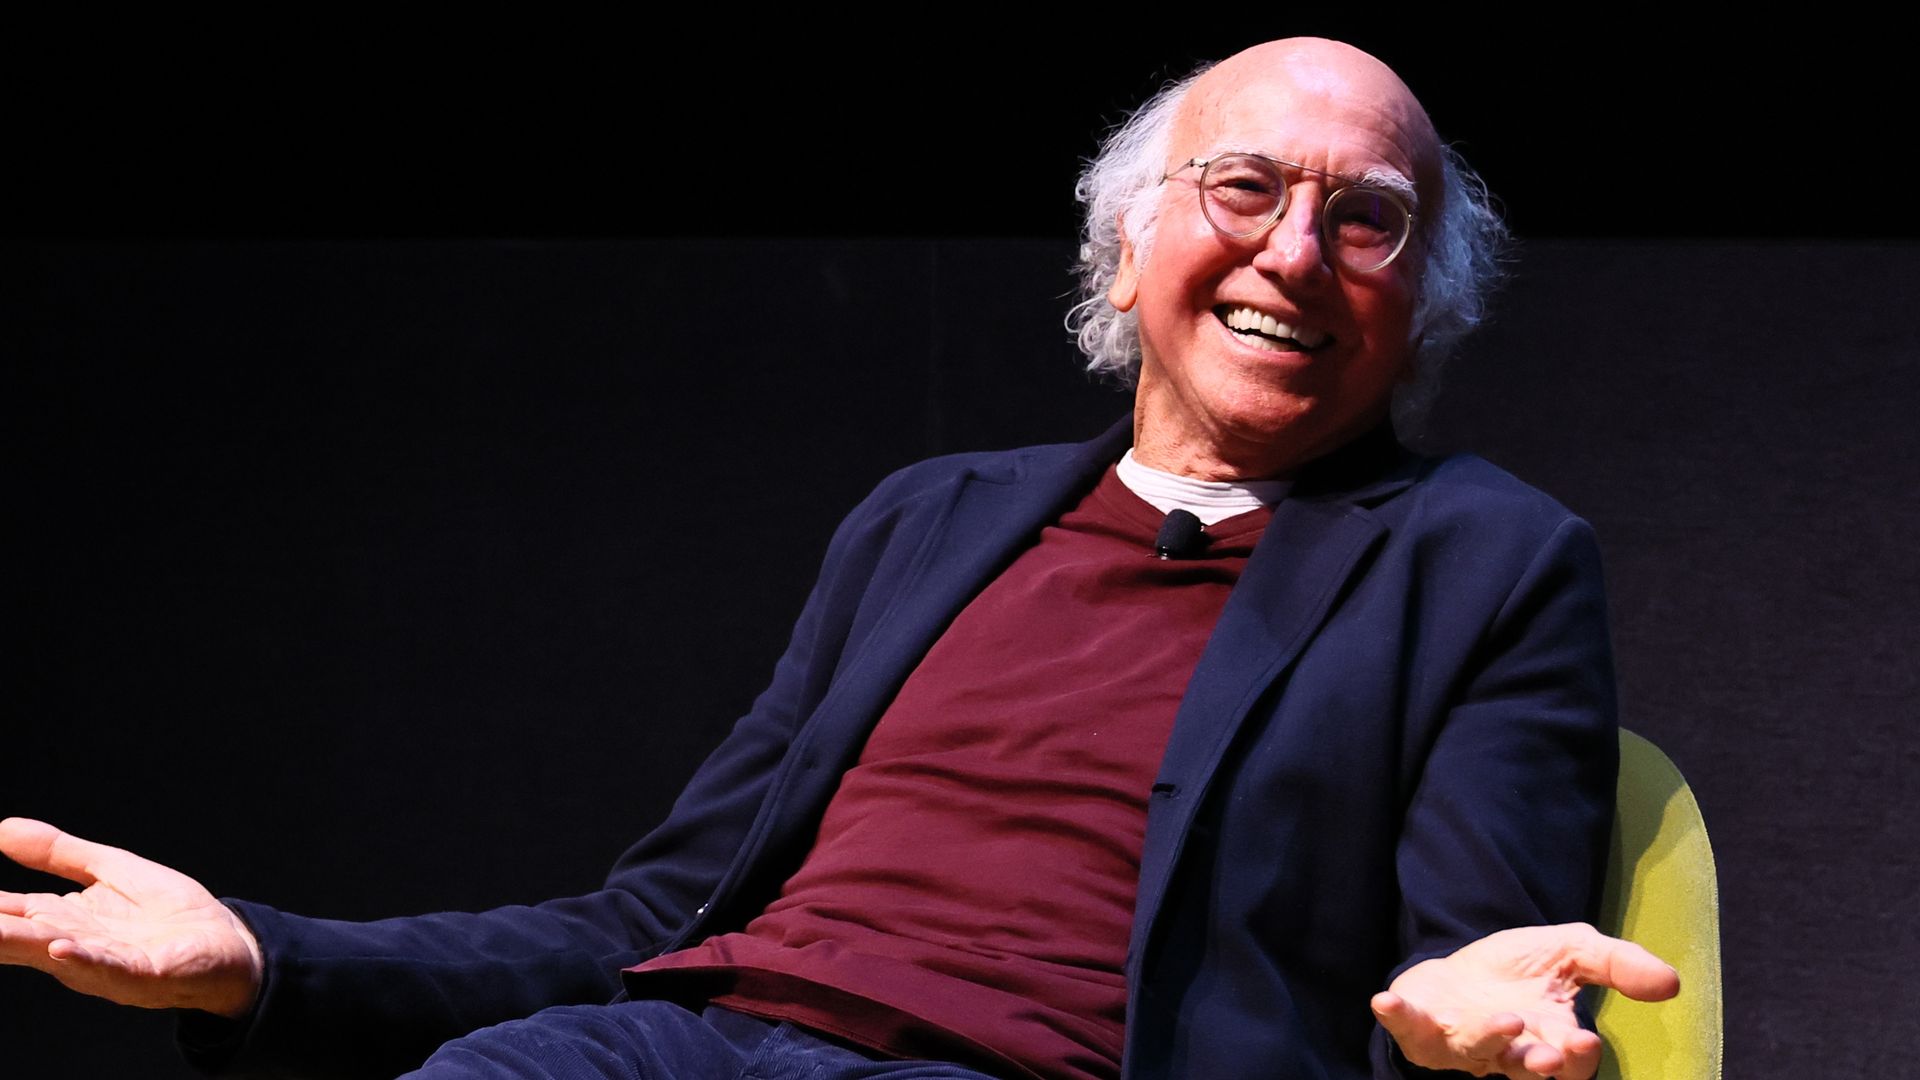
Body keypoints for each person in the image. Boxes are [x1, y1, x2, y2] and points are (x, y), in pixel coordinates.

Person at [0, 38, 1678, 1080]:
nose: (1295, 253)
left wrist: (1474, 1038)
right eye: (1243, 187)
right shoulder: (934, 514)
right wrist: (265, 960)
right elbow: (662, 907)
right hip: (677, 1050)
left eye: (1365, 216)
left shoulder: (1490, 561)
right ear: (1134, 233)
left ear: (1420, 291)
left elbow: (1468, 967)